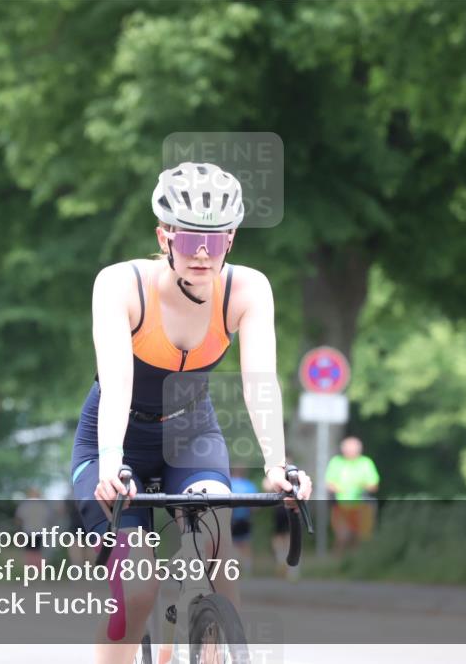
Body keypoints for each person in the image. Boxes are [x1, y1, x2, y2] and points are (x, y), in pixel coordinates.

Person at [69, 161, 312, 663]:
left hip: (191, 432)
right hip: (114, 438)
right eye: (187, 241)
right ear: (163, 236)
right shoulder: (121, 285)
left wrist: (277, 465)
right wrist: (113, 464)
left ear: (232, 240)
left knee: (219, 542)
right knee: (137, 593)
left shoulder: (248, 289)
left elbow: (259, 382)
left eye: (216, 241)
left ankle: (207, 646)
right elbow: (116, 384)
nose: (201, 254)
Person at [325, 436, 379, 553]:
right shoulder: (336, 462)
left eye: (353, 450)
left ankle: (354, 564)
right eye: (348, 449)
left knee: (360, 538)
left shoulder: (366, 463)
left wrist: (360, 486)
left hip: (361, 505)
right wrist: (340, 489)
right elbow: (329, 484)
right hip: (341, 505)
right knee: (342, 537)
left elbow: (374, 486)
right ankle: (337, 563)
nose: (350, 452)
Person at [228, 467, 258, 574]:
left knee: (231, 544)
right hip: (245, 518)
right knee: (245, 544)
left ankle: (234, 568)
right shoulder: (249, 485)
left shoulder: (228, 484)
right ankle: (247, 569)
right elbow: (254, 507)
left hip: (230, 519)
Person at [14, 487, 49, 567]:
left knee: (36, 551)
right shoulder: (27, 505)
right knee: (30, 551)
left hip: (38, 532)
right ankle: (31, 569)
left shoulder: (39, 505)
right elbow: (18, 519)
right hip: (29, 531)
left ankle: (36, 569)